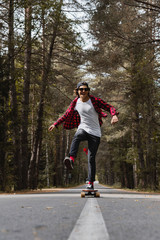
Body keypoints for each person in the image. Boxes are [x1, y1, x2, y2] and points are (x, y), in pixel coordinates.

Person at [48, 82, 119, 189]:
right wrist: (55, 124)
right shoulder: (75, 102)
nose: (83, 91)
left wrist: (113, 115)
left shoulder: (94, 100)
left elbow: (109, 107)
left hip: (95, 132)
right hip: (83, 128)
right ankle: (71, 159)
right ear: (77, 91)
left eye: (85, 89)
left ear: (88, 91)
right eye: (81, 89)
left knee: (91, 158)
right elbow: (66, 115)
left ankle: (90, 183)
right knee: (77, 135)